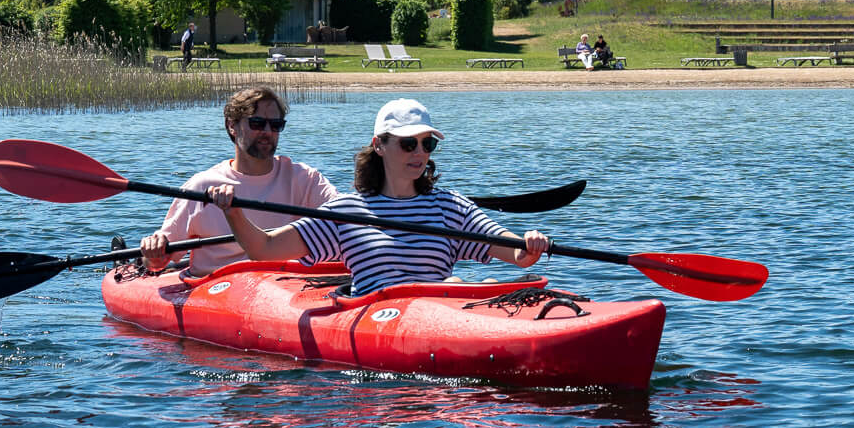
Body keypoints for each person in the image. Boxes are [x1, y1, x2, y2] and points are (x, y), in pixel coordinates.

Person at [203, 99, 548, 294]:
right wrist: (234, 213)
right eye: (408, 143)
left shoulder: (450, 206)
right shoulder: (346, 212)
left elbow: (516, 254)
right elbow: (264, 248)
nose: (419, 153)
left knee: (469, 282)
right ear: (379, 145)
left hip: (444, 308)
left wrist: (529, 244)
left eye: (427, 144)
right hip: (378, 318)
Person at [139, 86, 337, 276]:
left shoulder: (305, 178)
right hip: (217, 290)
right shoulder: (202, 187)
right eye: (257, 123)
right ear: (232, 125)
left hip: (284, 286)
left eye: (276, 125)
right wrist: (154, 250)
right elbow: (156, 264)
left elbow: (346, 218)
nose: (267, 132)